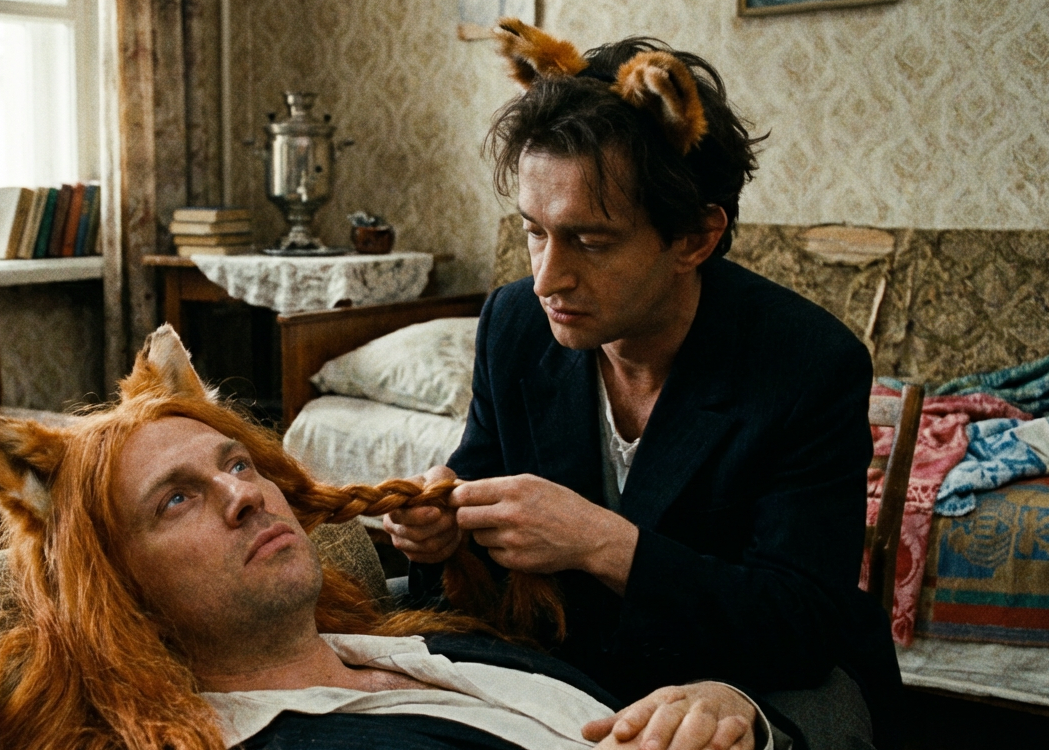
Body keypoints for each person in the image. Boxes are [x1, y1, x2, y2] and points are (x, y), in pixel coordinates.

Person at [383, 20, 900, 750]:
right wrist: (439, 537)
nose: (546, 279)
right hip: (571, 671)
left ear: (695, 237)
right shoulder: (513, 324)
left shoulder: (807, 364)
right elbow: (479, 492)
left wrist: (604, 544)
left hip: (753, 679)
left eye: (589, 241)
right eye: (533, 231)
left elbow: (803, 619)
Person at [0, 325, 777, 750]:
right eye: (176, 500)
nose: (243, 496)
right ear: (117, 588)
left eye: (237, 464)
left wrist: (727, 708)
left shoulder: (422, 641)